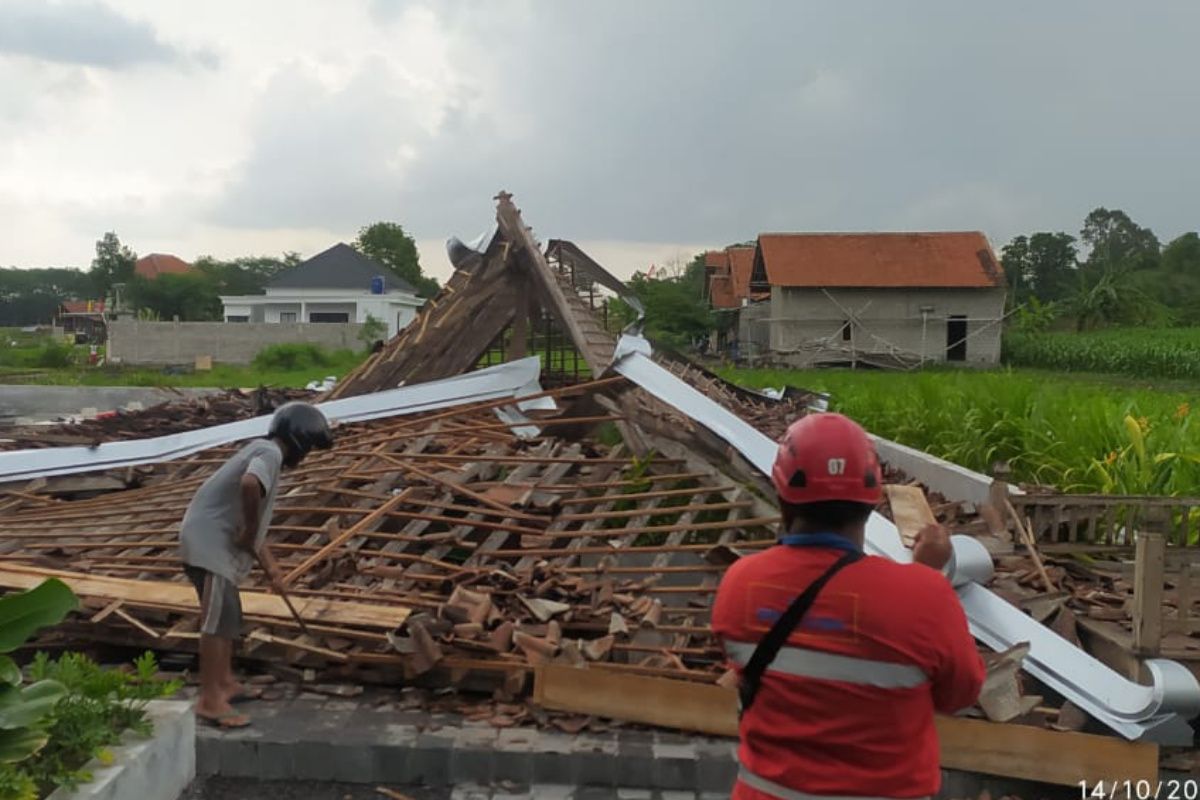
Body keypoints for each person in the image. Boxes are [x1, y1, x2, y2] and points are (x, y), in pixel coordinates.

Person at [712, 413, 985, 799]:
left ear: (782, 493)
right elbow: (958, 696)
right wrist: (926, 575)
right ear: (872, 500)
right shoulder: (925, 597)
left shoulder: (740, 585)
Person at [179, 402, 334, 728]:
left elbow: (254, 534)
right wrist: (249, 530)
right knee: (216, 622)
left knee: (228, 619)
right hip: (209, 544)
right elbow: (250, 487)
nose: (304, 458)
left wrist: (274, 571)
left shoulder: (263, 451)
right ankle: (210, 701)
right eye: (308, 450)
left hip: (213, 544)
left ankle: (225, 684)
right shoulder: (270, 453)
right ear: (299, 440)